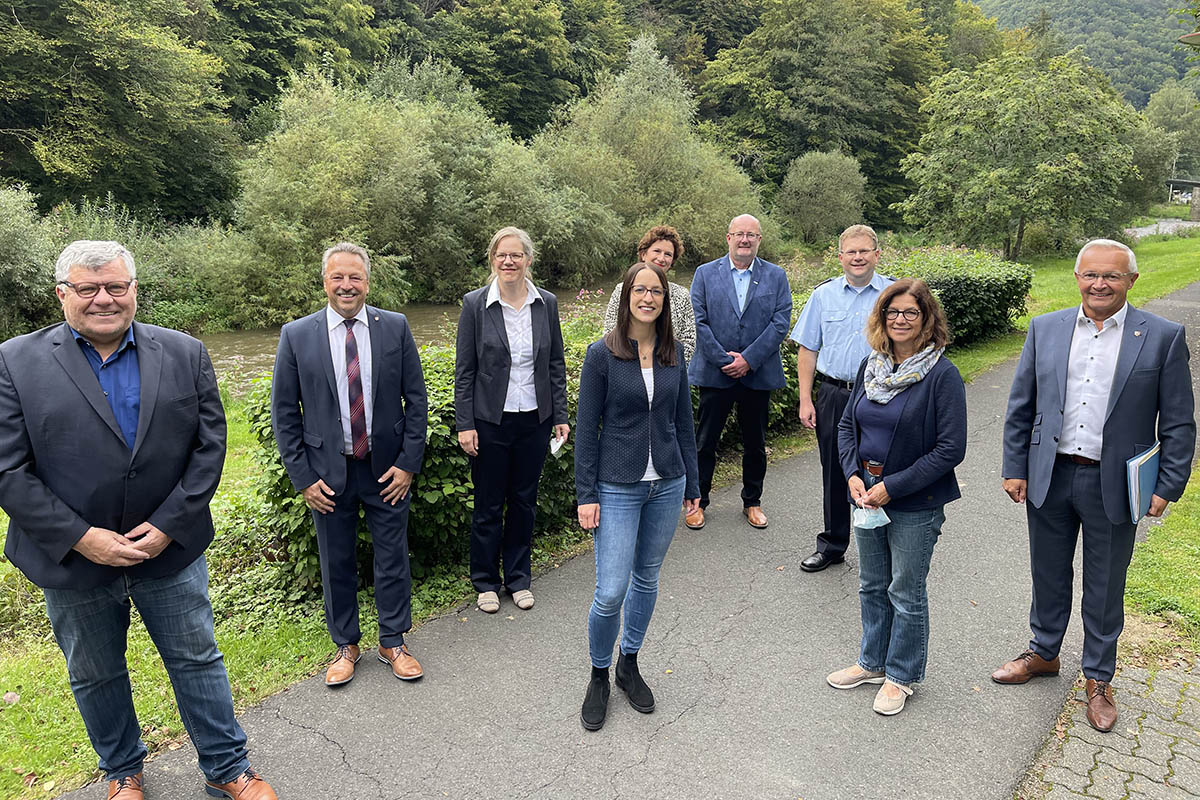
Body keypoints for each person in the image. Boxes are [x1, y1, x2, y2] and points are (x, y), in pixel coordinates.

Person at [0, 241, 276, 800]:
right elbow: (8, 469)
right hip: (74, 560)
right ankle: (122, 771)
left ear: (133, 290)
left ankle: (228, 768)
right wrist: (81, 537)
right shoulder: (14, 361)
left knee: (197, 659)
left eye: (116, 287)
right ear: (63, 294)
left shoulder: (184, 352)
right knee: (95, 672)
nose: (104, 298)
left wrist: (171, 523)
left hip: (168, 550)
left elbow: (209, 446)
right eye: (87, 288)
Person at [993, 239, 1195, 732]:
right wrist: (1014, 466)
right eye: (1090, 275)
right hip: (1050, 476)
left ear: (1131, 281)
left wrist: (1167, 485)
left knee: (1105, 586)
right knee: (1048, 573)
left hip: (1116, 484)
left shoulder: (1163, 336)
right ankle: (1043, 653)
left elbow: (1179, 423)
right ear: (1077, 277)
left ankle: (1098, 678)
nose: (1099, 284)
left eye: (1111, 276)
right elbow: (1023, 404)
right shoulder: (1046, 329)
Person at [271, 242, 428, 688]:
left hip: (386, 470)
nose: (346, 285)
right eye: (338, 277)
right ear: (325, 282)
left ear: (367, 281)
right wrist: (303, 478)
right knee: (335, 559)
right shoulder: (296, 335)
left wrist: (407, 465)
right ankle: (346, 644)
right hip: (327, 472)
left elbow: (416, 401)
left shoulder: (394, 327)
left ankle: (393, 641)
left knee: (392, 556)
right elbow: (284, 413)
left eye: (355, 277)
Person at [827, 279, 966, 716]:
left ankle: (901, 675)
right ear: (881, 318)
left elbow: (950, 449)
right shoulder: (872, 366)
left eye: (910, 313)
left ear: (927, 320)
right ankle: (871, 662)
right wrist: (851, 474)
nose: (900, 320)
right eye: (893, 312)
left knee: (905, 591)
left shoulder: (942, 374)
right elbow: (848, 426)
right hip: (866, 496)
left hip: (913, 502)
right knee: (871, 585)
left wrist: (894, 486)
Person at [575, 262, 700, 731]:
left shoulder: (673, 353)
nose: (648, 297)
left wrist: (693, 484)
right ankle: (599, 673)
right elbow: (587, 431)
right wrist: (586, 493)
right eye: (640, 290)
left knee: (646, 578)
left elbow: (683, 422)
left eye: (657, 291)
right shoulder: (601, 356)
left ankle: (629, 663)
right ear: (627, 295)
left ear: (665, 301)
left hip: (666, 482)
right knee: (610, 591)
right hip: (617, 485)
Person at [455, 227, 569, 614]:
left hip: (534, 419)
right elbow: (465, 370)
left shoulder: (546, 303)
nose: (509, 261)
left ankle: (518, 578)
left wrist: (560, 414)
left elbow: (555, 363)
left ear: (528, 260)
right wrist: (464, 423)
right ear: (492, 260)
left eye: (516, 255)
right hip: (489, 420)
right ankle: (485, 581)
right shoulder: (475, 305)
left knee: (524, 501)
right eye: (502, 255)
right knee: (488, 503)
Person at [791, 224, 894, 572]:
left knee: (882, 467)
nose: (858, 257)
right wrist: (806, 399)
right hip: (834, 395)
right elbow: (808, 348)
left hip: (881, 395)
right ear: (840, 258)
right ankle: (833, 544)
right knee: (836, 470)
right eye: (851, 252)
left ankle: (885, 543)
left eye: (865, 251)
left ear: (877, 255)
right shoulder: (823, 296)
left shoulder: (894, 294)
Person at [686, 214, 792, 530]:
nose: (745, 240)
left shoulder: (776, 276)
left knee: (755, 443)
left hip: (756, 374)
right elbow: (698, 320)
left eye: (751, 235)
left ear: (759, 240)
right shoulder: (705, 274)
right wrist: (724, 360)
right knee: (704, 441)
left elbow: (780, 322)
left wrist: (748, 359)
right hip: (715, 374)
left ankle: (752, 502)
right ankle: (697, 501)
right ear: (728, 237)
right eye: (739, 234)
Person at [602, 225, 697, 362]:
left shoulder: (681, 295)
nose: (661, 258)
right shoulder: (622, 289)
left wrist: (670, 369)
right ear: (643, 254)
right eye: (657, 251)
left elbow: (689, 340)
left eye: (668, 254)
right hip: (626, 367)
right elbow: (610, 333)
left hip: (668, 369)